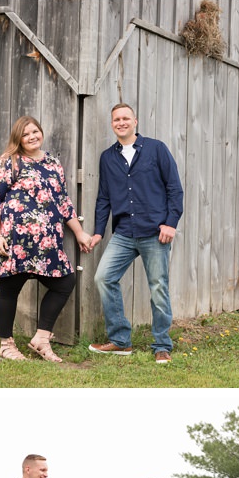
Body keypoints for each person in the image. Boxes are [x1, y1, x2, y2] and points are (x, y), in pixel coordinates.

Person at [0, 116, 93, 361]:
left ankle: (41, 339)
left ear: (41, 132)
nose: (32, 136)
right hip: (16, 241)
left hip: (48, 242)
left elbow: (63, 202)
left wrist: (78, 232)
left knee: (64, 283)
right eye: (26, 134)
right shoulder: (8, 162)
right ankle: (6, 345)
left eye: (35, 131)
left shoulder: (53, 162)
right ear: (18, 138)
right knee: (9, 287)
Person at [87, 103, 184, 364]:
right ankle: (120, 341)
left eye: (125, 118)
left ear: (135, 121)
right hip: (124, 233)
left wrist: (170, 223)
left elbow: (174, 188)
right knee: (104, 278)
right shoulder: (108, 157)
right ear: (112, 124)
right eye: (116, 119)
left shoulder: (156, 149)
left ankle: (162, 344)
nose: (121, 122)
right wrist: (98, 232)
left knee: (158, 288)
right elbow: (104, 197)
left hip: (155, 232)